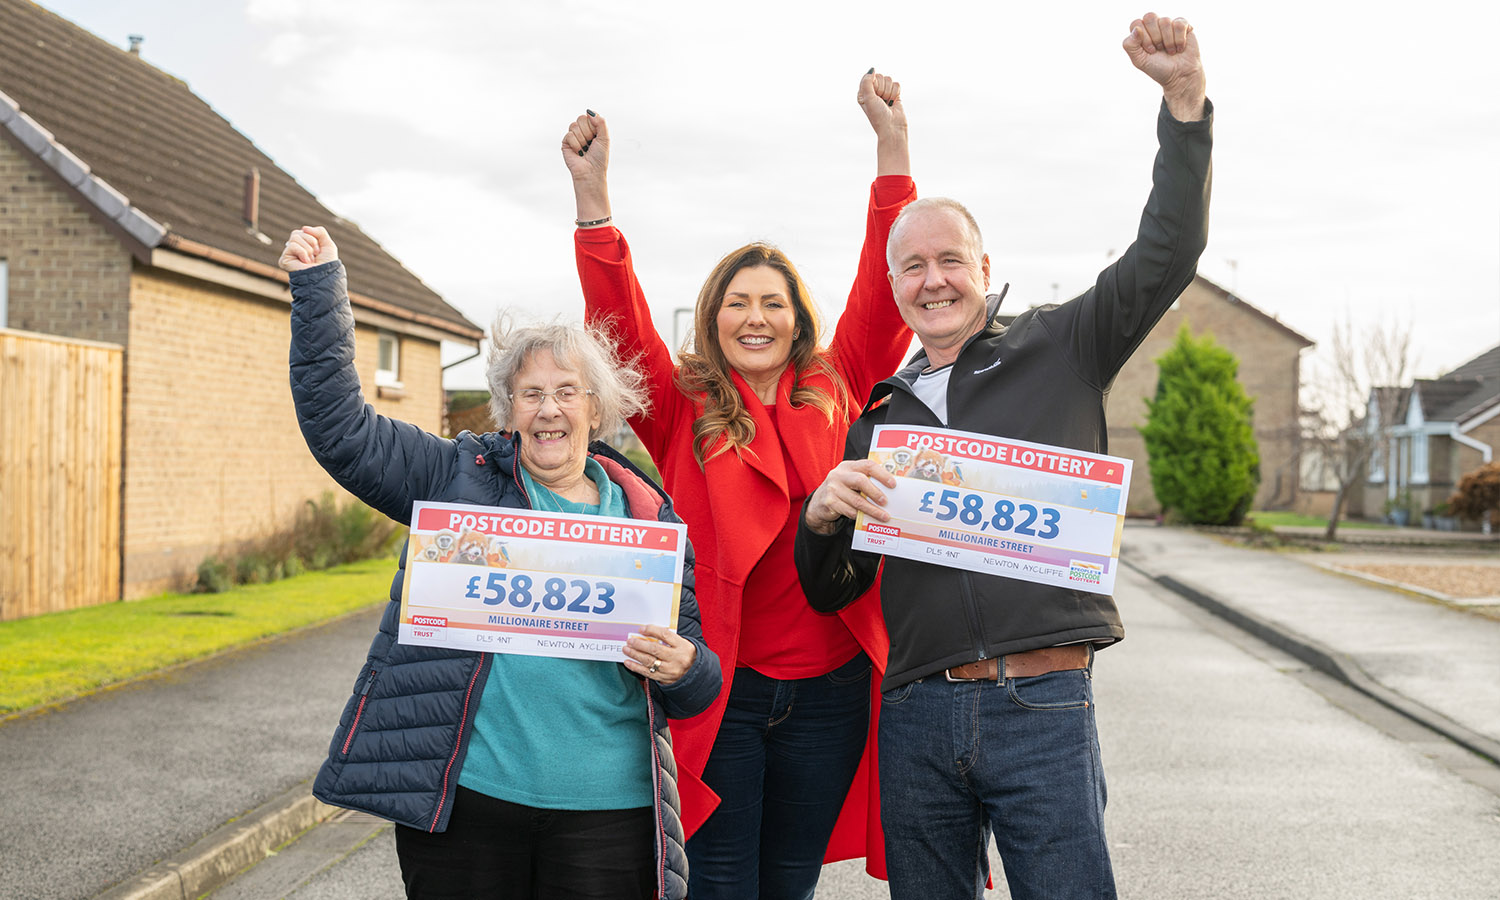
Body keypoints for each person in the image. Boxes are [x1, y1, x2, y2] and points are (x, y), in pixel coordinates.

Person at [794, 13, 1211, 900]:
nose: (932, 280)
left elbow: (1169, 251)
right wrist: (821, 516)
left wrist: (1183, 104)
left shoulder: (1062, 345)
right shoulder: (878, 417)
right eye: (912, 267)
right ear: (894, 284)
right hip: (916, 711)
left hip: (1043, 704)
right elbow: (834, 587)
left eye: (950, 260)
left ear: (985, 266)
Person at [279, 225, 721, 900]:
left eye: (567, 391)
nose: (549, 409)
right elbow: (342, 431)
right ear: (508, 409)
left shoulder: (649, 520)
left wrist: (687, 667)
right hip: (469, 809)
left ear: (596, 407)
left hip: (609, 815)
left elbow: (694, 679)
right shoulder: (459, 479)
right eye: (531, 393)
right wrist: (319, 294)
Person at [560, 71, 915, 899]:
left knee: (788, 882)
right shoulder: (680, 402)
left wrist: (892, 148)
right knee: (718, 883)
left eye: (774, 304)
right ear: (713, 314)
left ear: (798, 318)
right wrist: (593, 199)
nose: (755, 317)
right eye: (737, 303)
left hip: (829, 691)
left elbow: (882, 289)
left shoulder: (840, 377)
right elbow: (616, 321)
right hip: (723, 689)